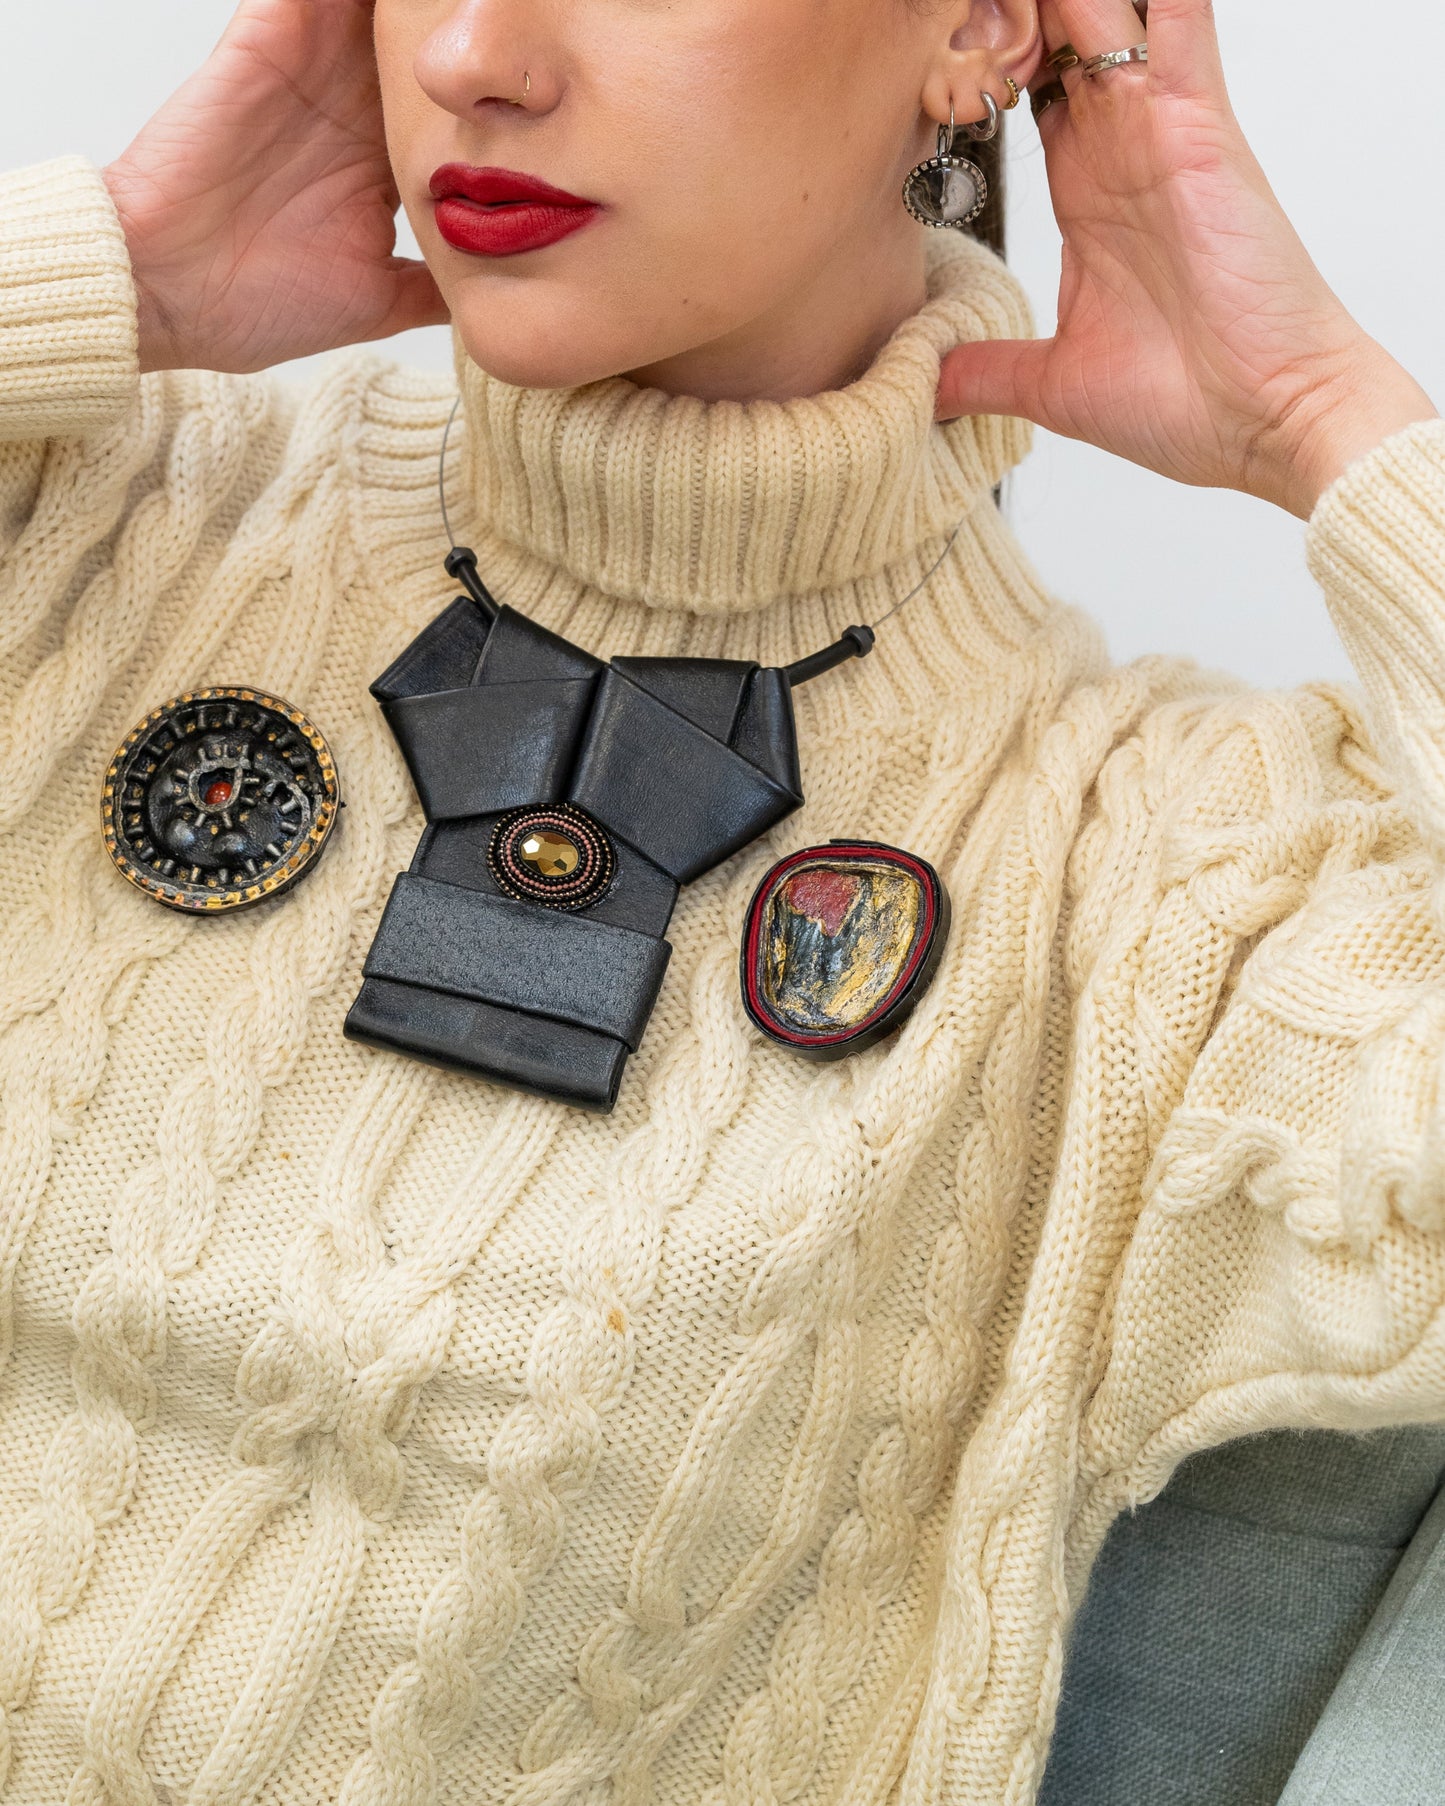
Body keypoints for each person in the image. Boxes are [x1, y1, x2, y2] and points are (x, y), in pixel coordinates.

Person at [0, 1, 1440, 1802]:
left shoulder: (1156, 886)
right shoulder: (90, 525)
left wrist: (1326, 420)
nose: (469, 56)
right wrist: (96, 284)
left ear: (984, 28)